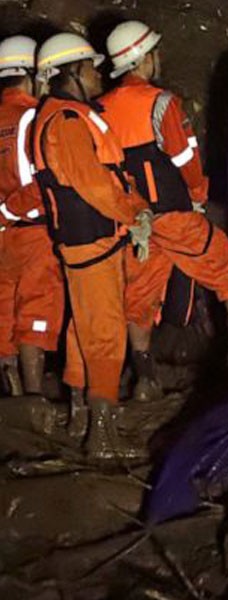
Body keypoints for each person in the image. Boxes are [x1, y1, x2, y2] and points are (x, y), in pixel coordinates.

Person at [99, 21, 228, 400]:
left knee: (138, 299)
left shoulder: (99, 110)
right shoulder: (161, 103)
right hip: (174, 215)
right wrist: (199, 195)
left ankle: (144, 376)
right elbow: (185, 158)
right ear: (144, 59)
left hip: (134, 224)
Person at [31, 33, 150, 458]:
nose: (97, 73)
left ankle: (82, 415)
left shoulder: (63, 116)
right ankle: (102, 435)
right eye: (90, 67)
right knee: (104, 332)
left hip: (86, 240)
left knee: (84, 329)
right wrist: (133, 214)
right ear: (72, 74)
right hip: (91, 238)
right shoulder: (66, 122)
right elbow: (95, 183)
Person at [0, 36, 64, 397]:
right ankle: (35, 398)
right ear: (32, 75)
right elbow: (42, 181)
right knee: (35, 312)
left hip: (3, 234)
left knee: (4, 313)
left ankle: (12, 398)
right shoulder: (33, 116)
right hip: (32, 231)